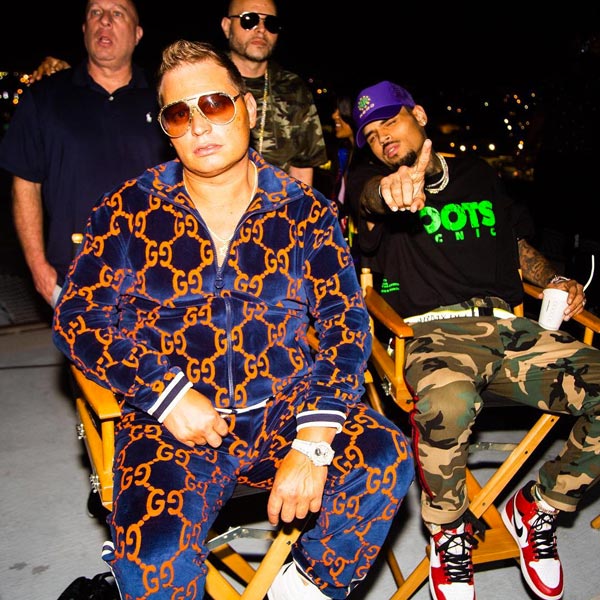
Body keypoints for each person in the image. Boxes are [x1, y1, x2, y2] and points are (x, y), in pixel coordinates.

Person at [52, 42, 414, 600]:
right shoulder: (128, 209)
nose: (199, 125)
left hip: (286, 409)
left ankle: (303, 586)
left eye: (215, 104)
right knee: (154, 561)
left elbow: (346, 324)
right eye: (179, 113)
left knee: (384, 457)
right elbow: (78, 316)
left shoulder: (304, 210)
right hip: (172, 427)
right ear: (167, 130)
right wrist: (166, 395)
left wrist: (314, 441)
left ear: (246, 107)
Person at [346, 80, 600, 600]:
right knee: (449, 401)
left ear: (419, 115)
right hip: (431, 334)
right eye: (371, 135)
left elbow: (516, 244)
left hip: (511, 330)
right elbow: (370, 201)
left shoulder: (478, 173)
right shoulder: (368, 180)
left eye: (390, 122)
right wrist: (391, 191)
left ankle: (541, 506)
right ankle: (447, 530)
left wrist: (554, 278)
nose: (382, 138)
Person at [0, 0, 172, 306]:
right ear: (84, 28)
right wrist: (39, 268)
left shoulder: (165, 98)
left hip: (155, 279)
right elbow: (25, 183)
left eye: (117, 13)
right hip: (74, 279)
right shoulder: (45, 97)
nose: (104, 20)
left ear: (137, 34)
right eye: (95, 12)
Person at [221, 0, 327, 185]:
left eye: (271, 23)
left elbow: (302, 170)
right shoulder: (205, 80)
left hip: (278, 201)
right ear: (227, 26)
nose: (261, 29)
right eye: (249, 20)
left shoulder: (294, 88)